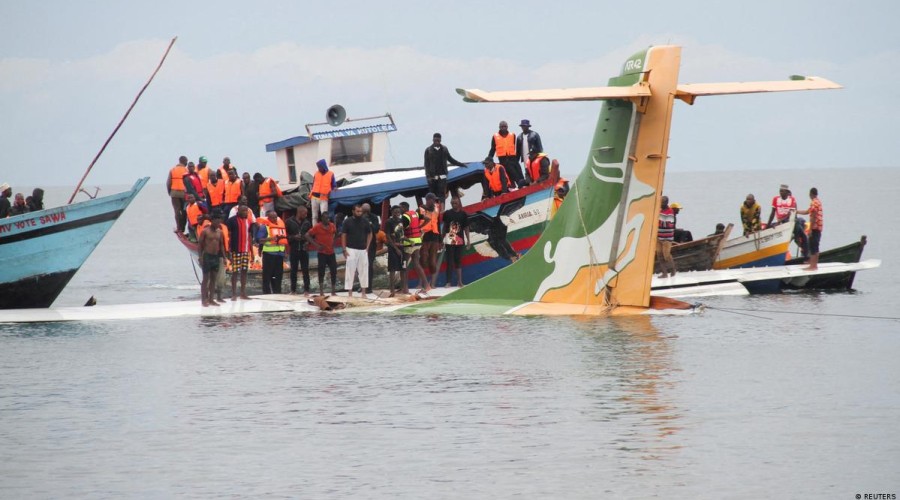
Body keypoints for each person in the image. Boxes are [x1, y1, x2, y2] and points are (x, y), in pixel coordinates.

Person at [767, 183, 808, 257]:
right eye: (780, 191)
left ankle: (804, 250)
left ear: (787, 192)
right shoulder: (776, 199)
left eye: (783, 191)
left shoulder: (792, 200)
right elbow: (772, 213)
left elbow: (792, 214)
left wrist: (781, 221)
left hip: (789, 221)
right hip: (781, 221)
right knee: (769, 228)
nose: (781, 192)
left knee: (800, 229)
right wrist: (768, 225)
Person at [424, 132, 467, 202]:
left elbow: (450, 159)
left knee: (441, 194)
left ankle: (442, 209)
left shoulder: (444, 149)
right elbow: (426, 164)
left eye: (438, 140)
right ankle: (434, 209)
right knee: (432, 194)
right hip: (432, 176)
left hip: (442, 175)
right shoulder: (428, 150)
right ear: (433, 140)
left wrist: (461, 164)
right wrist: (428, 176)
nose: (437, 142)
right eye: (435, 140)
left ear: (440, 140)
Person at [341, 204, 373, 299]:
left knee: (363, 271)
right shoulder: (347, 221)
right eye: (357, 211)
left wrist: (367, 246)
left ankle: (363, 293)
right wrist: (344, 249)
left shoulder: (365, 221)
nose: (359, 213)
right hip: (350, 249)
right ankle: (350, 293)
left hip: (363, 250)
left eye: (360, 211)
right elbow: (343, 235)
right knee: (350, 271)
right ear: (353, 211)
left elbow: (370, 233)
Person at [226, 204, 256, 300]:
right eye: (243, 211)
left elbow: (250, 236)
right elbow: (228, 236)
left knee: (244, 271)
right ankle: (234, 294)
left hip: (246, 250)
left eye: (246, 211)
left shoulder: (249, 221)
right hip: (236, 249)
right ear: (238, 211)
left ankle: (243, 293)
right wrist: (229, 251)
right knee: (235, 271)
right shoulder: (232, 221)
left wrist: (252, 251)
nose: (245, 213)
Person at [399, 201, 429, 292]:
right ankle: (427, 285)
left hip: (409, 243)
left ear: (404, 208)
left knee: (404, 266)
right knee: (416, 263)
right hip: (418, 242)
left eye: (400, 208)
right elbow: (428, 219)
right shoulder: (415, 213)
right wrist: (420, 227)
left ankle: (405, 288)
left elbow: (401, 230)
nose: (399, 210)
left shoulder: (405, 216)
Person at [305, 212, 338, 296]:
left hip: (331, 252)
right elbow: (307, 235)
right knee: (321, 271)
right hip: (322, 253)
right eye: (326, 218)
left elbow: (336, 233)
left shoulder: (332, 225)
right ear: (322, 219)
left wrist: (333, 242)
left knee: (334, 271)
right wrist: (316, 245)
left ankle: (333, 291)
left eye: (329, 218)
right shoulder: (317, 227)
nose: (328, 220)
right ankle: (321, 291)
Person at [198, 213, 227, 307]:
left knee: (214, 279)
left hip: (215, 257)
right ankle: (203, 300)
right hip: (207, 256)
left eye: (220, 221)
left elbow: (221, 245)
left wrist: (224, 257)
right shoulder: (205, 231)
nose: (218, 223)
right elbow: (200, 245)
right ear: (212, 221)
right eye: (217, 221)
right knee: (206, 279)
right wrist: (200, 257)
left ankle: (211, 299)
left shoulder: (220, 232)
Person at [442, 197, 471, 287]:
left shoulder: (463, 214)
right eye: (452, 203)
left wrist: (468, 241)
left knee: (458, 261)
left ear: (459, 203)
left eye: (455, 203)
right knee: (449, 261)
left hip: (460, 240)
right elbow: (444, 226)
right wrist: (441, 240)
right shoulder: (447, 213)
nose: (454, 204)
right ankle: (448, 282)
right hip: (449, 240)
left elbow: (466, 228)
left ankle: (459, 282)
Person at [257, 209, 287, 294]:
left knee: (278, 275)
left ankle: (277, 292)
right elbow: (259, 240)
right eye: (272, 218)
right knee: (267, 275)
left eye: (276, 217)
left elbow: (283, 240)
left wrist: (285, 252)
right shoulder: (264, 227)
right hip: (269, 254)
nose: (274, 219)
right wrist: (270, 239)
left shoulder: (281, 226)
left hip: (279, 254)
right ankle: (266, 293)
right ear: (268, 218)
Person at [487, 121, 523, 188]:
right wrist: (489, 159)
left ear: (507, 127)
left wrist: (517, 159)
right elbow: (493, 149)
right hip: (503, 160)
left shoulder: (512, 135)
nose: (503, 128)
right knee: (508, 176)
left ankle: (523, 186)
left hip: (513, 159)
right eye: (502, 127)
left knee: (519, 173)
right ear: (499, 127)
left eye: (505, 126)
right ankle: (513, 188)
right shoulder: (495, 136)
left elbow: (516, 148)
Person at [286, 206, 312, 295]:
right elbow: (285, 235)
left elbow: (311, 236)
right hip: (294, 249)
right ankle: (293, 290)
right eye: (305, 213)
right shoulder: (289, 222)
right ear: (299, 212)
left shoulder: (307, 223)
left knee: (306, 270)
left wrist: (307, 243)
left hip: (304, 249)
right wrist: (294, 237)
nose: (306, 215)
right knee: (293, 270)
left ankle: (307, 290)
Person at [418, 193, 443, 288]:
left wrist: (440, 240)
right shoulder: (420, 209)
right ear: (428, 200)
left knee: (433, 261)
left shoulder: (437, 208)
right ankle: (421, 283)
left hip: (435, 237)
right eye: (433, 199)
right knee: (423, 259)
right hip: (424, 236)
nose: (434, 201)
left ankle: (432, 283)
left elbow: (438, 223)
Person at [385, 205, 409, 296]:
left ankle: (404, 289)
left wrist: (409, 240)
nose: (397, 214)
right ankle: (392, 290)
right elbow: (388, 236)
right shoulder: (389, 222)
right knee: (393, 269)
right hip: (393, 248)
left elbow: (401, 235)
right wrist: (395, 249)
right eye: (395, 212)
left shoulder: (401, 221)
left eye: (398, 212)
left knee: (403, 268)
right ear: (392, 213)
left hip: (402, 247)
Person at [797, 187, 823, 270]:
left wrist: (810, 229)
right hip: (819, 227)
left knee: (813, 247)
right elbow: (807, 212)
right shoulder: (818, 202)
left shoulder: (813, 203)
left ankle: (813, 266)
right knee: (816, 246)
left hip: (815, 227)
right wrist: (797, 211)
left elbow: (813, 216)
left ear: (810, 194)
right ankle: (813, 264)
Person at [166, 155, 189, 234]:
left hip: (174, 193)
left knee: (177, 210)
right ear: (185, 162)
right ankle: (182, 228)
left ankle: (178, 228)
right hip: (184, 193)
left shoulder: (172, 170)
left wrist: (170, 192)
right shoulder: (186, 170)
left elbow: (168, 183)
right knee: (184, 211)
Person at [361, 203, 380, 294]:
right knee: (361, 266)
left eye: (367, 211)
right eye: (364, 211)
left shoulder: (374, 217)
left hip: (371, 245)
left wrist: (370, 223)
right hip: (360, 244)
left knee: (369, 265)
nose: (366, 213)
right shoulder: (359, 217)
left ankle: (369, 287)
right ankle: (362, 286)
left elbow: (376, 229)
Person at [310, 159, 336, 224]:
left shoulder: (331, 174)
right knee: (314, 216)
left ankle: (324, 228)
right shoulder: (316, 173)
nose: (319, 168)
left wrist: (335, 188)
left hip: (324, 198)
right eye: (318, 167)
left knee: (324, 215)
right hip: (314, 197)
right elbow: (313, 184)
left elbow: (334, 185)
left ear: (323, 166)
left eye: (320, 167)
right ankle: (315, 229)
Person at [657, 195, 677, 279]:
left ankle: (673, 270)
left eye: (662, 203)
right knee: (659, 255)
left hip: (667, 238)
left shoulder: (670, 212)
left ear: (666, 203)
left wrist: (659, 221)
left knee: (666, 255)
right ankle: (664, 273)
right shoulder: (659, 210)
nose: (661, 204)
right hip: (659, 236)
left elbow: (669, 224)